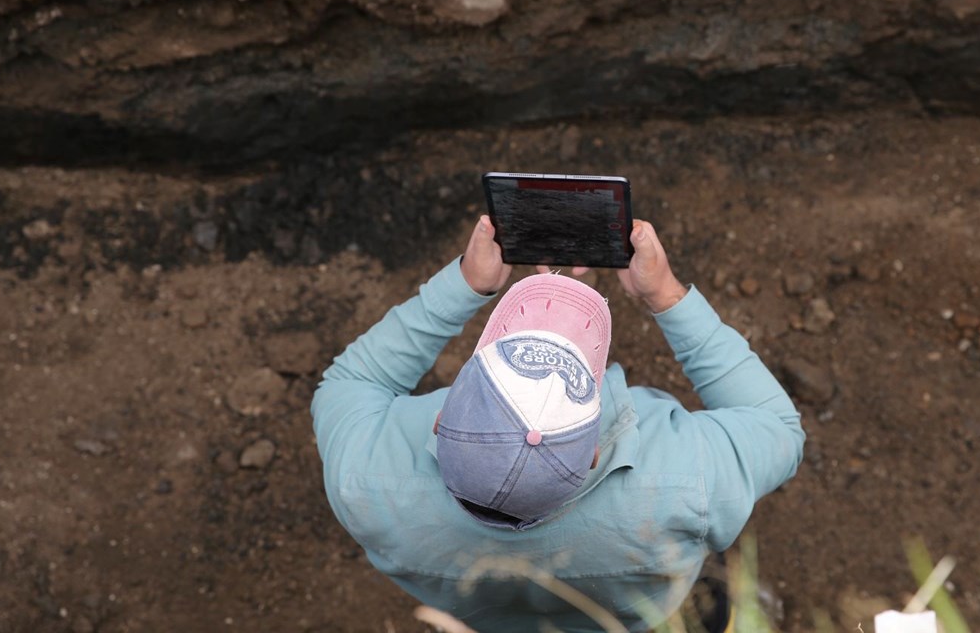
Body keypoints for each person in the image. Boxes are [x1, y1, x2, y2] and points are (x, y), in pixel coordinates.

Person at [311, 215, 805, 632]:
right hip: (637, 617)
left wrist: (467, 282)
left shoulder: (362, 474)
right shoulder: (686, 480)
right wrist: (665, 295)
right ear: (592, 454)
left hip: (484, 615)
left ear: (441, 420)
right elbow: (778, 425)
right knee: (706, 606)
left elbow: (353, 379)